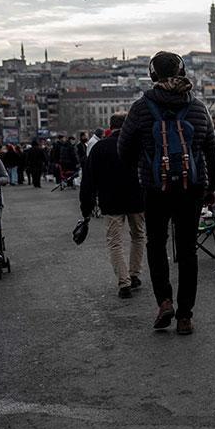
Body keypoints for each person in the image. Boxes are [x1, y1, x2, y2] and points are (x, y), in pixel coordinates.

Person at [118, 50, 215, 335]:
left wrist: (141, 169)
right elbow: (212, 150)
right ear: (182, 71)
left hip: (155, 187)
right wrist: (212, 187)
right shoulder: (198, 107)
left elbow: (123, 149)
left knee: (156, 245)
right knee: (187, 249)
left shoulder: (141, 108)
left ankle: (164, 301)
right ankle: (185, 315)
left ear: (153, 75)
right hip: (192, 188)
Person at [81, 112, 146, 299]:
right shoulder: (138, 145)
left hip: (111, 202)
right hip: (137, 199)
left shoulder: (100, 148)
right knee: (138, 236)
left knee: (115, 242)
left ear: (111, 126)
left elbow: (88, 181)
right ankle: (135, 274)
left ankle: (123, 281)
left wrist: (86, 208)